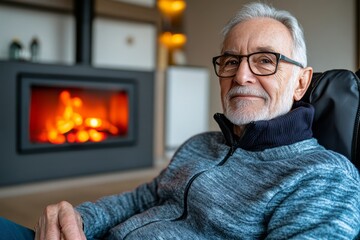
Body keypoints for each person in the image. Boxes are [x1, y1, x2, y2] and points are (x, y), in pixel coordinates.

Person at [1, 2, 360, 239]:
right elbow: (143, 198)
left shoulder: (324, 176)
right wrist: (77, 219)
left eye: (265, 61)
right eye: (231, 61)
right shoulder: (201, 144)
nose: (242, 76)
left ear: (301, 81)